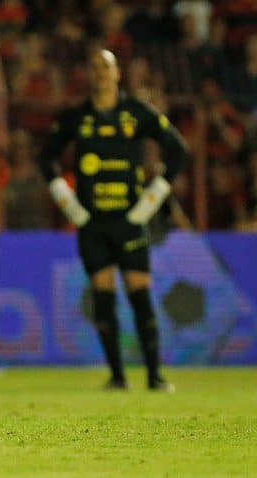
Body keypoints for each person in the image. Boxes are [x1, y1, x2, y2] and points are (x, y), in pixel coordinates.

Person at [38, 48, 188, 392]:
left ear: (117, 73)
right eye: (94, 67)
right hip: (93, 224)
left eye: (106, 67)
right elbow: (46, 157)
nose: (101, 73)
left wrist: (152, 199)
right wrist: (68, 202)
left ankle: (155, 376)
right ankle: (118, 376)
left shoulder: (137, 113)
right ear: (89, 75)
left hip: (130, 220)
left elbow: (178, 150)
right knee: (103, 296)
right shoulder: (77, 118)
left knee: (139, 294)